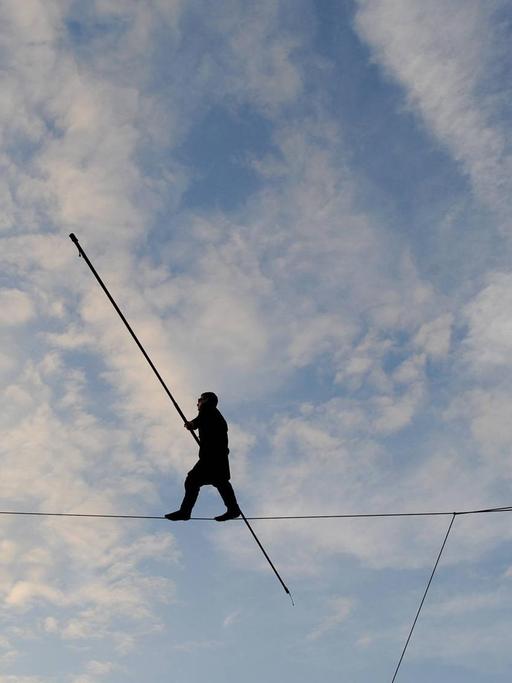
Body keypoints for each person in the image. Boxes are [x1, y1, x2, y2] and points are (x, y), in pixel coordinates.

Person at [165, 392, 242, 522]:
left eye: (199, 400)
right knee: (220, 481)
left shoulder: (208, 409)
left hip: (212, 456)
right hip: (218, 455)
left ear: (206, 400)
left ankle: (185, 511)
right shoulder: (216, 415)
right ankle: (233, 509)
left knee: (192, 480)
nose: (197, 403)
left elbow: (200, 420)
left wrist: (192, 424)